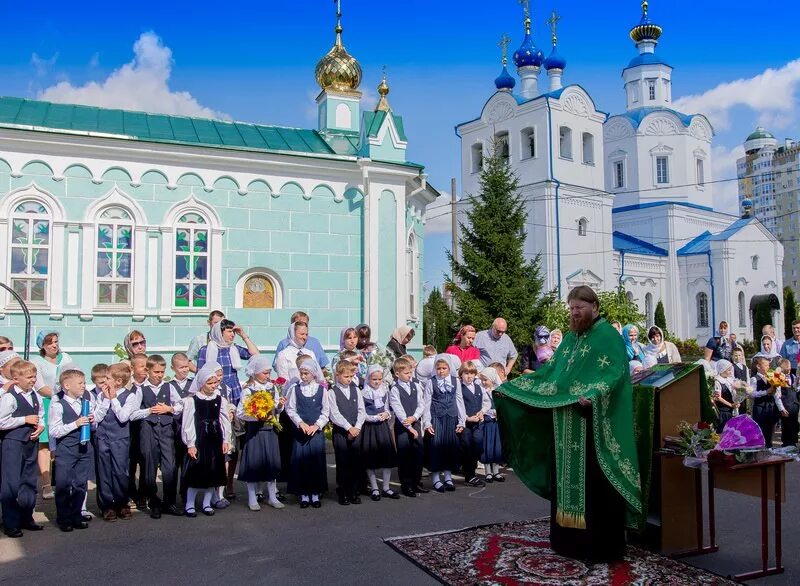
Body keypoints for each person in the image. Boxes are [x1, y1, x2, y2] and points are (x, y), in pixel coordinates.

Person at [495, 285, 642, 563]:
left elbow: (615, 373)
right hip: (565, 420)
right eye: (572, 308)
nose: (575, 313)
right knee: (567, 483)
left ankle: (600, 547)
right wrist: (514, 388)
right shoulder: (572, 338)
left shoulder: (607, 336)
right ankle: (567, 542)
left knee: (594, 489)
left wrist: (594, 394)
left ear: (595, 307)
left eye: (580, 308)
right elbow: (552, 372)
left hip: (594, 424)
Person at [129, 354, 184, 519]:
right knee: (149, 466)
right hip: (148, 430)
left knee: (170, 466)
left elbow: (181, 404)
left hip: (166, 429)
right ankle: (154, 502)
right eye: (156, 372)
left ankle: (169, 502)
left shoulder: (169, 387)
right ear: (148, 370)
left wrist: (170, 409)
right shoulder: (141, 389)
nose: (159, 375)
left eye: (162, 371)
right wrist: (149, 410)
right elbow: (132, 414)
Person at [0, 360, 45, 538]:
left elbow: (40, 413)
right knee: (11, 483)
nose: (33, 380)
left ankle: (27, 517)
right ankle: (11, 522)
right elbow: (2, 421)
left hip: (30, 442)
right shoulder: (10, 396)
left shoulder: (34, 394)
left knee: (29, 481)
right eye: (29, 377)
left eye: (34, 376)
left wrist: (40, 425)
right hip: (13, 442)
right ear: (16, 378)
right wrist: (24, 419)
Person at [181, 362, 231, 518]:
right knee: (196, 472)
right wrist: (190, 443)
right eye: (210, 383)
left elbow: (224, 420)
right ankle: (189, 504)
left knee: (213, 472)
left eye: (215, 383)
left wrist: (226, 439)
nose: (213, 386)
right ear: (201, 383)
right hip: (200, 438)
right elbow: (188, 423)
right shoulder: (192, 400)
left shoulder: (220, 399)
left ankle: (207, 503)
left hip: (215, 438)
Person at [50, 367, 96, 532]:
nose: (84, 386)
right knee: (63, 484)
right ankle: (63, 518)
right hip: (66, 449)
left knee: (80, 484)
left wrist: (92, 421)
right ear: (67, 385)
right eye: (80, 383)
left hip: (83, 448)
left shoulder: (85, 403)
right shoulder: (58, 405)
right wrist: (75, 424)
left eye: (84, 383)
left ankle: (76, 515)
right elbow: (54, 431)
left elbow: (93, 425)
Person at [237, 355, 285, 511]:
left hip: (269, 430)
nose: (268, 376)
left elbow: (276, 408)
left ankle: (272, 496)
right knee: (253, 463)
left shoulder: (271, 387)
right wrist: (255, 416)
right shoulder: (249, 390)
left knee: (271, 463)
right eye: (264, 373)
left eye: (269, 372)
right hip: (255, 431)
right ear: (255, 372)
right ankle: (252, 497)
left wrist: (279, 406)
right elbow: (241, 412)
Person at [94, 363, 137, 521]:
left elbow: (123, 417)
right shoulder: (101, 395)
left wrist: (113, 400)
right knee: (104, 471)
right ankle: (107, 505)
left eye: (108, 378)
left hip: (120, 439)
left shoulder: (129, 396)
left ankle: (122, 502)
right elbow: (97, 417)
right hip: (103, 437)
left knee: (120, 471)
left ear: (118, 382)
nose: (104, 380)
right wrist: (106, 400)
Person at [285, 358, 329, 508]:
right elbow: (290, 409)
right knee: (301, 462)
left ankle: (315, 494)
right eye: (301, 373)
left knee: (316, 462)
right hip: (301, 431)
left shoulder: (322, 390)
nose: (303, 376)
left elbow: (325, 411)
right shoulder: (295, 389)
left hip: (315, 432)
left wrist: (317, 425)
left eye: (306, 373)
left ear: (313, 374)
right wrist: (300, 423)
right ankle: (303, 494)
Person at [422, 355, 466, 493]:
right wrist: (427, 422)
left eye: (444, 368)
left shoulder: (455, 381)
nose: (441, 371)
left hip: (451, 418)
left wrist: (462, 420)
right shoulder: (431, 382)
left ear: (449, 368)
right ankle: (435, 478)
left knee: (449, 446)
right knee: (436, 447)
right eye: (438, 368)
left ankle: (448, 477)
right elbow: (426, 402)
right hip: (437, 418)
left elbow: (459, 400)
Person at [328, 360, 366, 506]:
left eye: (351, 376)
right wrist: (348, 427)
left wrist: (356, 427)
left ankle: (354, 491)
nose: (349, 379)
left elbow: (361, 410)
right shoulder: (332, 392)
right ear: (337, 375)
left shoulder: (356, 390)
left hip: (356, 430)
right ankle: (343, 491)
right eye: (346, 377)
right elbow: (334, 414)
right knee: (343, 462)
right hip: (341, 432)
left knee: (355, 462)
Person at [31, 331, 63, 501]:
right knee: (44, 445)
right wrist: (59, 396)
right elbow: (40, 386)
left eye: (56, 342)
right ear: (42, 345)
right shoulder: (36, 362)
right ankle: (46, 484)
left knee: (60, 442)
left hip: (63, 404)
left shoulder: (65, 358)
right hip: (45, 402)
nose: (54, 345)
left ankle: (62, 480)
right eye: (49, 342)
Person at [197, 318, 259, 406]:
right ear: (220, 333)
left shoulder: (233, 348)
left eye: (233, 332)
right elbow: (200, 374)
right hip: (216, 389)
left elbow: (255, 354)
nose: (233, 335)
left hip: (234, 389)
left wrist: (244, 336)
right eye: (229, 331)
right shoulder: (206, 350)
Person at [389, 358, 426, 498]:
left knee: (418, 453)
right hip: (403, 426)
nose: (409, 375)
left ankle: (416, 482)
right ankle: (407, 485)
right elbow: (398, 409)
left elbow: (421, 403)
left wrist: (415, 417)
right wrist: (408, 425)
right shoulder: (395, 389)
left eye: (410, 372)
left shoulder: (416, 386)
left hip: (415, 422)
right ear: (397, 374)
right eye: (406, 373)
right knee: (405, 455)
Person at [360, 365, 398, 500]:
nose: (377, 382)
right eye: (374, 379)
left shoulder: (384, 391)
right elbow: (362, 413)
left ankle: (386, 487)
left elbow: (388, 407)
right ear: (368, 378)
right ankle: (375, 487)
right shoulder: (364, 393)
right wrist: (375, 417)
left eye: (379, 379)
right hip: (370, 428)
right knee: (371, 459)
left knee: (387, 458)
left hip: (382, 427)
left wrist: (386, 414)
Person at [458, 361, 490, 487]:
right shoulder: (459, 388)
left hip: (477, 423)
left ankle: (470, 470)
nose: (469, 376)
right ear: (461, 374)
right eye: (466, 373)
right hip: (465, 423)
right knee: (467, 447)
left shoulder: (479, 388)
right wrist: (467, 418)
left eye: (471, 373)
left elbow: (486, 402)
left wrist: (482, 412)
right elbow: (458, 406)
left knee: (478, 445)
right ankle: (470, 475)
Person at [169, 353, 194, 503]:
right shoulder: (169, 385)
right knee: (172, 465)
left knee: (188, 463)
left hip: (189, 428)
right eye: (181, 367)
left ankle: (186, 495)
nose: (184, 370)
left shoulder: (194, 383)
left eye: (186, 367)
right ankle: (170, 497)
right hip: (174, 429)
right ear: (173, 368)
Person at [127, 354, 148, 508]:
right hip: (130, 430)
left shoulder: (150, 385)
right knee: (131, 462)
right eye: (141, 366)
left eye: (147, 366)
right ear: (132, 369)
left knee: (146, 461)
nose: (145, 369)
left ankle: (143, 493)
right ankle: (130, 491)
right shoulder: (128, 387)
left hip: (147, 429)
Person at [750, 356, 785, 446]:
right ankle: (760, 447)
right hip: (759, 407)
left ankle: (769, 446)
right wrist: (766, 392)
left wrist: (776, 388)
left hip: (770, 406)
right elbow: (752, 394)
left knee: (769, 429)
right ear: (758, 366)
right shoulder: (754, 379)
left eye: (768, 365)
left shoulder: (771, 378)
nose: (768, 367)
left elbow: (776, 393)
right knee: (760, 429)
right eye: (765, 365)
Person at [478, 367, 504, 483]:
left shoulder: (498, 391)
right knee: (487, 447)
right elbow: (482, 407)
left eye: (485, 380)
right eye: (482, 380)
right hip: (487, 423)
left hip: (496, 423)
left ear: (492, 379)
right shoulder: (481, 391)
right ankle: (488, 472)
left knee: (496, 447)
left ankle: (496, 471)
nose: (484, 382)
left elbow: (501, 405)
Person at [712, 360, 739, 433]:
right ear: (722, 370)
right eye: (729, 370)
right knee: (724, 430)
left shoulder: (729, 380)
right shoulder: (718, 381)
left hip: (731, 410)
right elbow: (718, 397)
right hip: (723, 410)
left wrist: (737, 401)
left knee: (732, 430)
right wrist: (730, 404)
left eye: (731, 370)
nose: (731, 372)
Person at [778, 358, 799, 447]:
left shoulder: (793, 377)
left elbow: (795, 389)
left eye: (790, 367)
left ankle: (793, 442)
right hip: (785, 404)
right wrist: (781, 408)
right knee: (786, 424)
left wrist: (797, 384)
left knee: (794, 424)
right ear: (781, 369)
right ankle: (786, 442)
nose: (789, 370)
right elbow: (777, 395)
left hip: (794, 404)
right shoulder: (778, 378)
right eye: (786, 368)